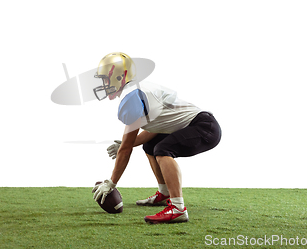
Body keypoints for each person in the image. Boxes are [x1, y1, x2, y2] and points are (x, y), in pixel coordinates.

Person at [92, 52, 221, 224]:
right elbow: (156, 129)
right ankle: (165, 192)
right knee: (151, 145)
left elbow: (126, 149)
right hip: (200, 125)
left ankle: (178, 208)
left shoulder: (133, 97)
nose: (104, 84)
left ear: (121, 76)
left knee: (163, 149)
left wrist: (111, 182)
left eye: (105, 79)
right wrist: (125, 144)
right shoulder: (137, 90)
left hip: (204, 127)